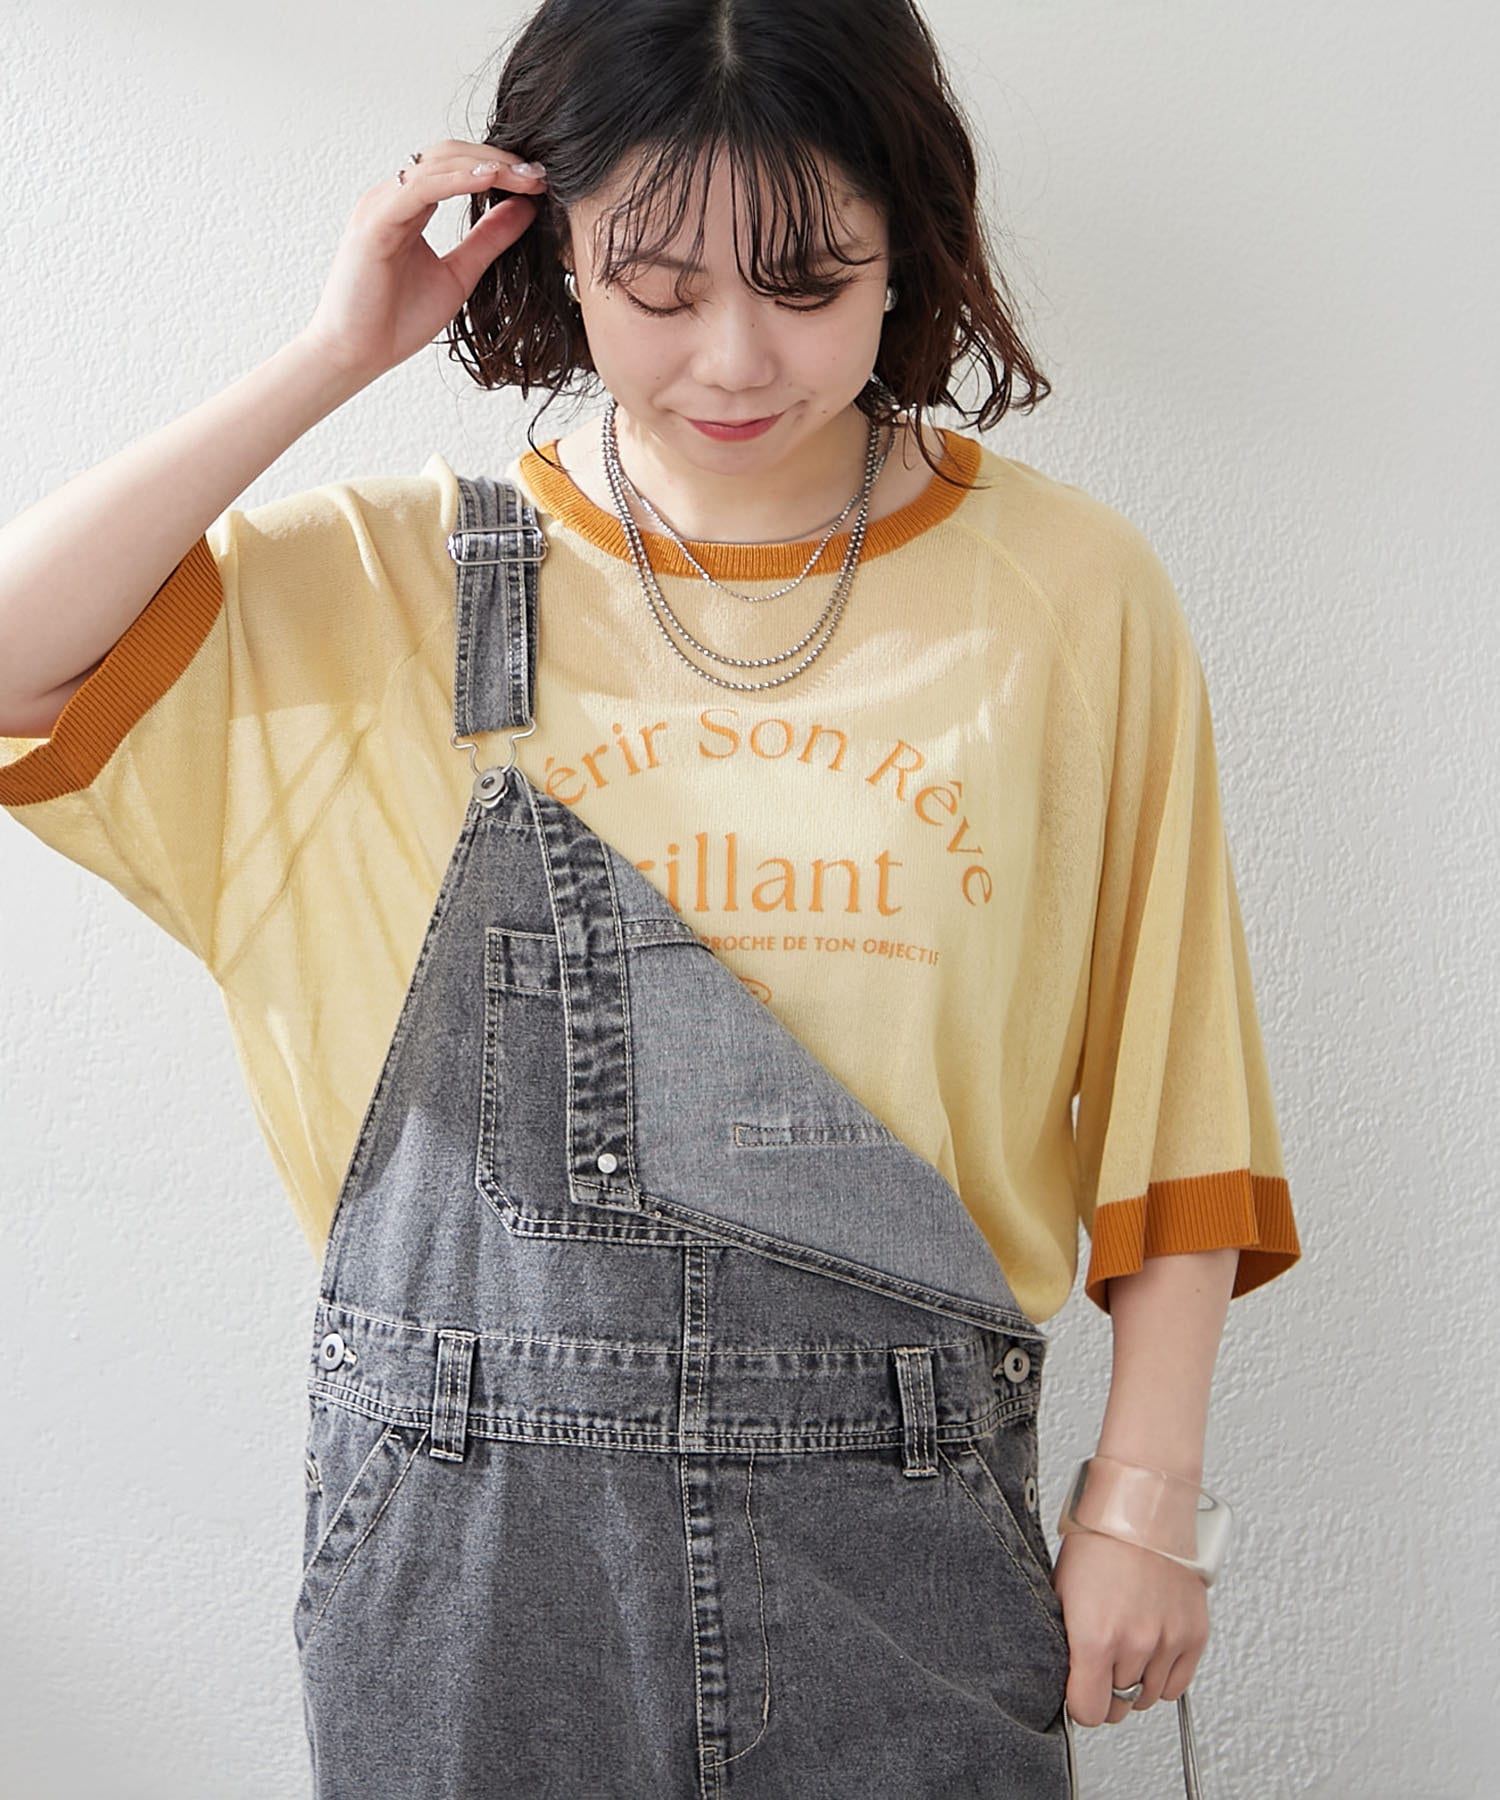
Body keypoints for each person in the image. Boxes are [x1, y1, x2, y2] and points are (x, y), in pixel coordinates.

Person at [0, 1, 1302, 1794]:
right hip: (469, 1541)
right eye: (659, 288)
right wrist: (334, 353)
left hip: (905, 1523)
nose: (736, 359)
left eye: (809, 283)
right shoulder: (395, 582)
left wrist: (1148, 1503)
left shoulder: (1068, 590)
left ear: (907, 251)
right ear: (552, 252)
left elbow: (1175, 1076)